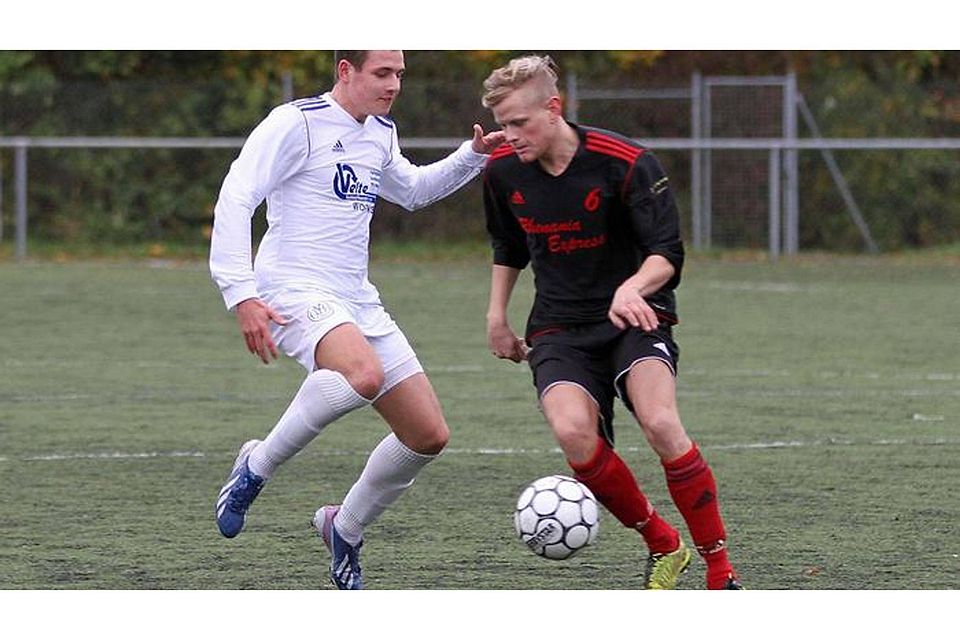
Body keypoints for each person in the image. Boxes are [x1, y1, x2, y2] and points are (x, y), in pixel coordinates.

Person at [209, 50, 505, 590]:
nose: (393, 85)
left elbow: (412, 192)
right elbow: (237, 194)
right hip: (293, 286)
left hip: (356, 299)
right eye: (382, 73)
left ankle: (343, 527)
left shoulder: (379, 133)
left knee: (427, 435)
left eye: (399, 75)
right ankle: (255, 467)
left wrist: (473, 155)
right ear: (346, 71)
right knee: (360, 375)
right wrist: (240, 292)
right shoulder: (295, 123)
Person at [480, 55, 742, 590]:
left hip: (635, 319)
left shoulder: (624, 162)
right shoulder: (503, 172)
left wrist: (632, 287)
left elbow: (667, 253)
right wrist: (496, 315)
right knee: (573, 433)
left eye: (518, 123)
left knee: (662, 424)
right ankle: (663, 543)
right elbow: (508, 245)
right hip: (557, 326)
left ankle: (721, 573)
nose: (509, 136)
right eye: (502, 125)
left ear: (553, 109)